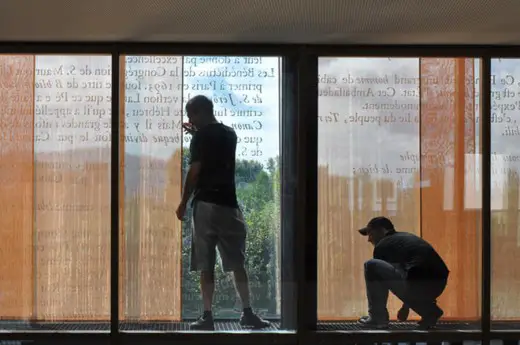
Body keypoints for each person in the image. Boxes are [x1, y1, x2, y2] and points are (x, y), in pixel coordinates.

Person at [175, 95, 271, 331]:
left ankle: (207, 316)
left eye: (191, 115)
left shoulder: (199, 138)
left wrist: (183, 202)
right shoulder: (230, 134)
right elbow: (214, 150)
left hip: (206, 205)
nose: (189, 120)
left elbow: (195, 170)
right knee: (238, 262)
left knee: (205, 264)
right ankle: (247, 312)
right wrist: (196, 134)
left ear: (198, 113)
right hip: (230, 205)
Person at [357, 216, 449, 330]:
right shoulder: (403, 239)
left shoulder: (383, 245)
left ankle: (377, 318)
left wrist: (406, 306)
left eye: (370, 233)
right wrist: (406, 307)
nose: (369, 239)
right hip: (438, 283)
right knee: (409, 281)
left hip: (419, 282)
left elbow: (385, 279)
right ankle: (430, 311)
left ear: (382, 230)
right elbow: (409, 272)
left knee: (371, 266)